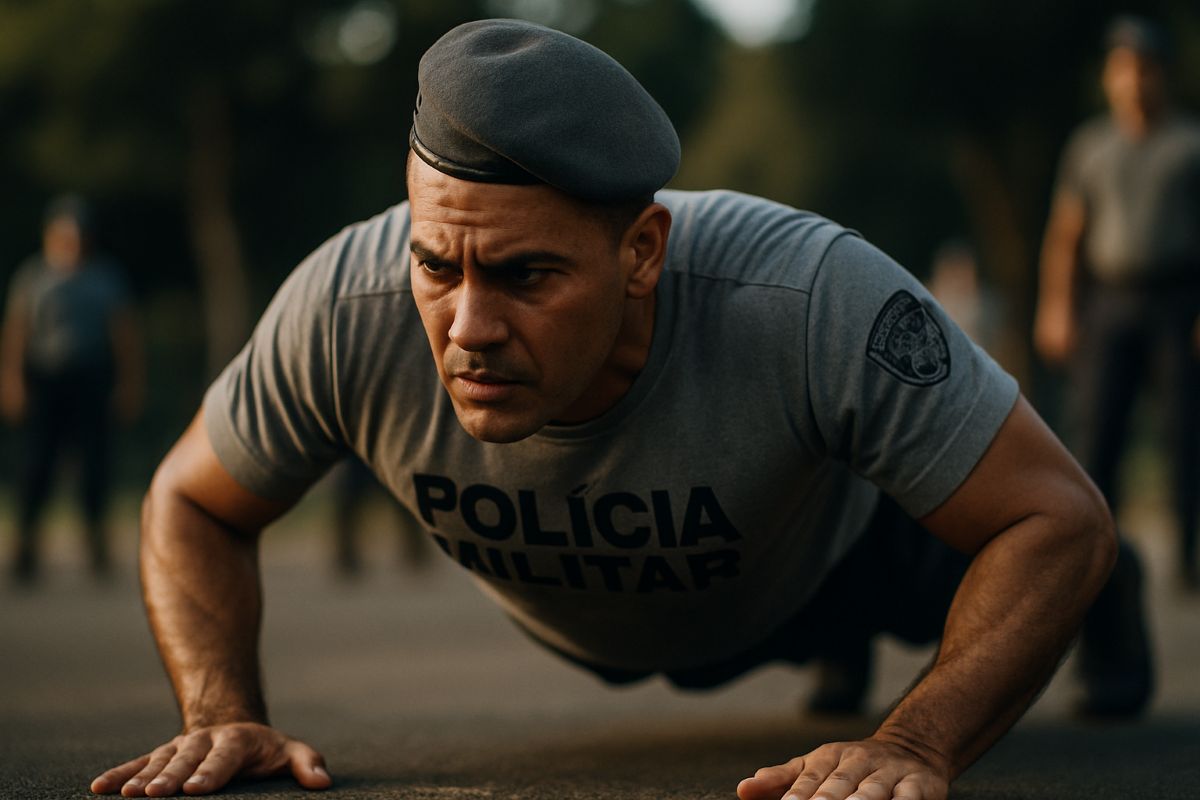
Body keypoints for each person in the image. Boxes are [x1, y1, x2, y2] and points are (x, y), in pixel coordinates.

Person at [92, 20, 1133, 800]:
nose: (467, 326)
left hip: (833, 565)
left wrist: (913, 741)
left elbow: (1053, 518)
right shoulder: (343, 307)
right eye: (435, 264)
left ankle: (1082, 613)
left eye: (525, 274)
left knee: (1056, 543)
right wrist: (223, 712)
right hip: (618, 612)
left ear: (641, 251)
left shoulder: (808, 297)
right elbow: (190, 500)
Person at [1034, 16, 1200, 592]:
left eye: (1144, 68)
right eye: (1122, 69)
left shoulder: (1189, 144)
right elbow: (1067, 234)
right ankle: (1098, 553)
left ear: (1163, 73)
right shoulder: (1090, 147)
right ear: (1110, 77)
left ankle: (1187, 553)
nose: (1133, 81)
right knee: (1098, 428)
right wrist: (1056, 306)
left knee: (1185, 428)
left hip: (1177, 297)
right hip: (1110, 298)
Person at [1, 194, 143, 582]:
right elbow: (17, 330)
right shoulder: (34, 278)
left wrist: (128, 383)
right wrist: (12, 380)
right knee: (36, 465)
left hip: (91, 376)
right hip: (47, 379)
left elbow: (123, 333)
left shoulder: (105, 278)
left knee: (95, 465)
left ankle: (96, 547)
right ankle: (26, 548)